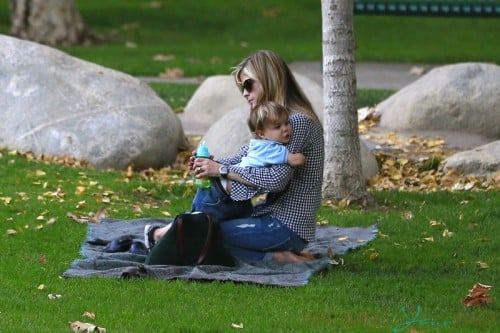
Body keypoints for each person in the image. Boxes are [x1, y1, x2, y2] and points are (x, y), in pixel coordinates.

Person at [147, 50, 324, 263]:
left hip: (285, 226)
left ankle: (278, 257)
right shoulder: (274, 121)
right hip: (269, 216)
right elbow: (246, 158)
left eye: (249, 85)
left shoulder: (293, 123)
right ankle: (177, 228)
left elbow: (276, 180)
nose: (245, 93)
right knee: (207, 223)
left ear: (269, 80)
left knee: (203, 236)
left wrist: (221, 170)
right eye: (242, 88)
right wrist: (210, 164)